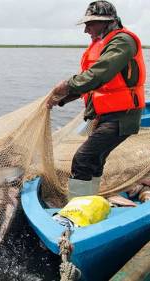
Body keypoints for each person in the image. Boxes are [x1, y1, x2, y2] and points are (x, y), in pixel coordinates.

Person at [46, 1, 146, 199]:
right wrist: (63, 99)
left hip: (122, 115)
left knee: (83, 158)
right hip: (106, 115)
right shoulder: (103, 43)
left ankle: (76, 210)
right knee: (95, 160)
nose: (86, 30)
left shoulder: (122, 42)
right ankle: (88, 201)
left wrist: (66, 85)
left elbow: (99, 74)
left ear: (106, 22)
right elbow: (93, 83)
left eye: (90, 24)